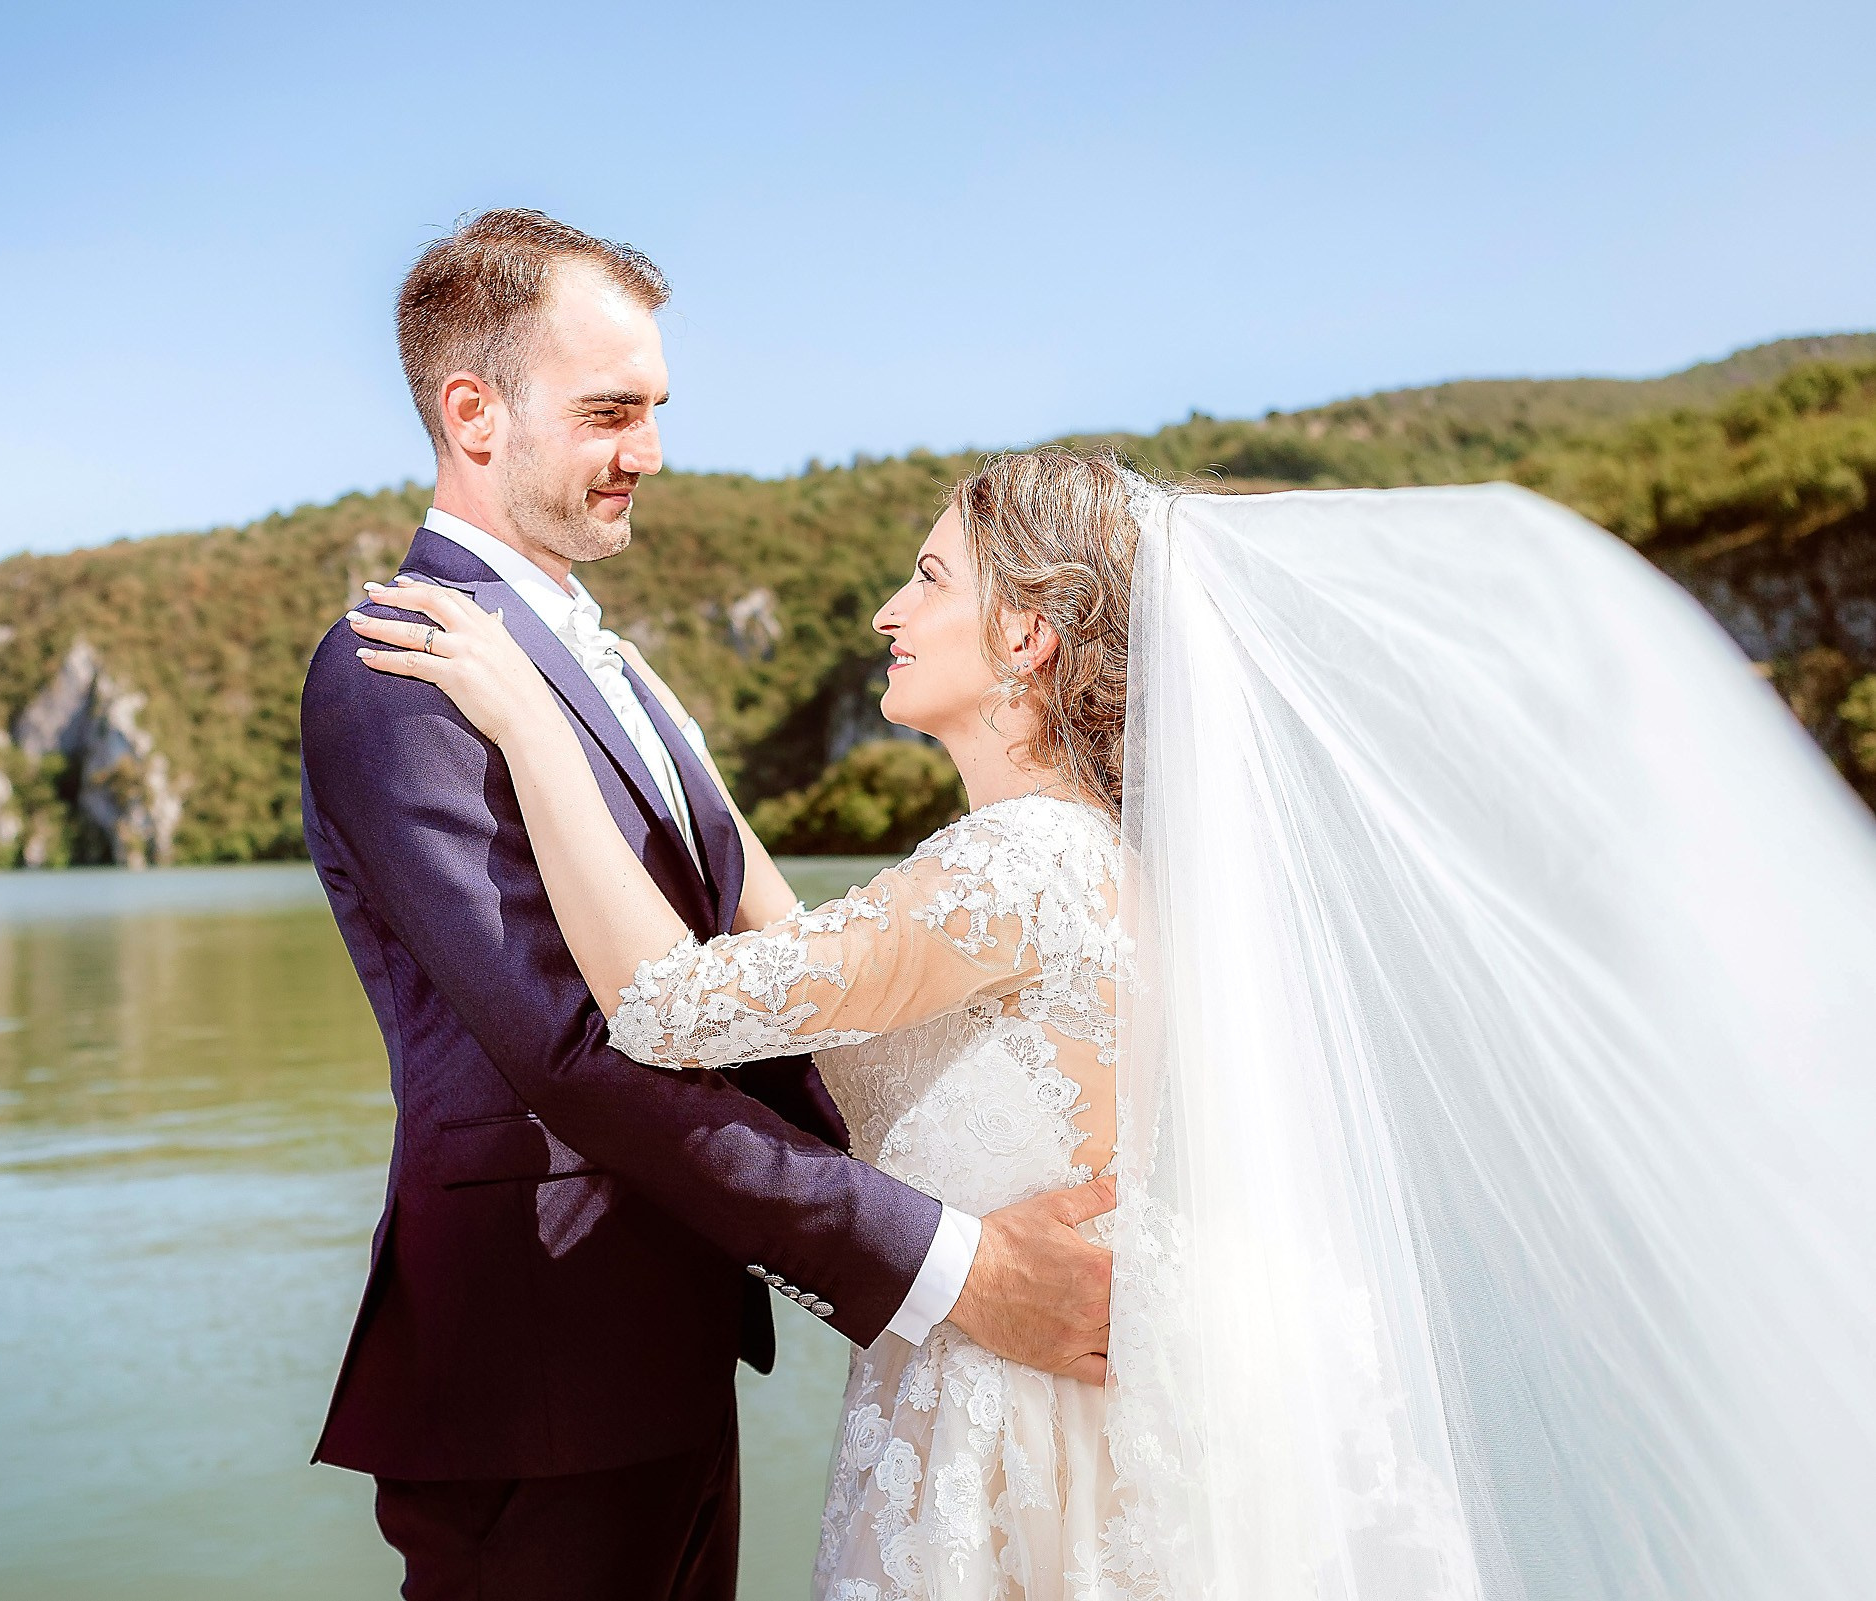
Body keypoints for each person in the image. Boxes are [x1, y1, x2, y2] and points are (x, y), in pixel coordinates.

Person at [355, 444, 1876, 1600]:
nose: (888, 611)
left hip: (1024, 1415)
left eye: (931, 580)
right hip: (1087, 1361)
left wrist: (532, 722)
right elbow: (786, 943)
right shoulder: (1071, 862)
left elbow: (665, 1002)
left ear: (1028, 636)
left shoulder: (1015, 870)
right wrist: (651, 718)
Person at [296, 210, 1116, 1601]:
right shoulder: (403, 668)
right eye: (612, 410)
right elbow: (573, 1053)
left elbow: (765, 969)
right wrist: (949, 1264)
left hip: (659, 1353)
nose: (652, 453)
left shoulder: (608, 672)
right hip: (531, 1370)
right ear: (472, 412)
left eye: (656, 409)